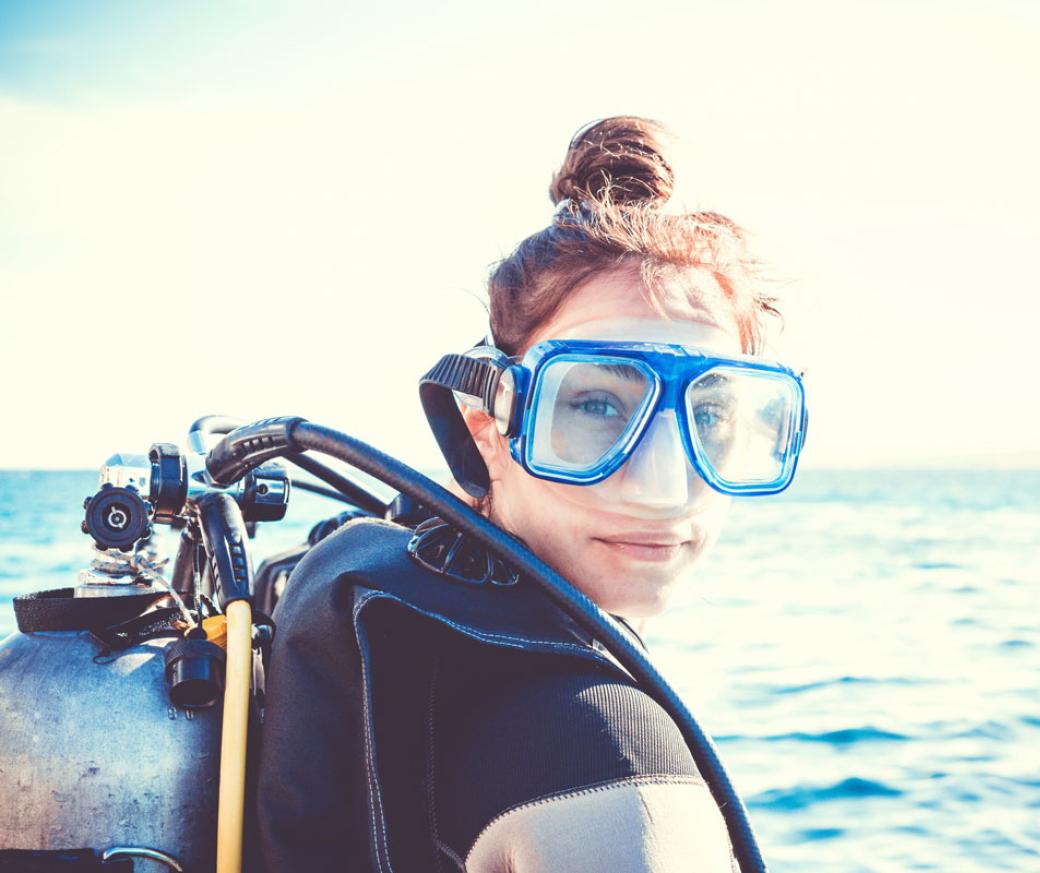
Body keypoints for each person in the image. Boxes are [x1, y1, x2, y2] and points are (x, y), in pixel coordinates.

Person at [255, 116, 807, 873]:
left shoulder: (397, 597)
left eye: (709, 413)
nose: (665, 487)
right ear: (486, 425)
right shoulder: (617, 781)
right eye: (596, 405)